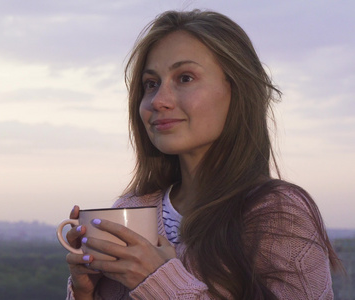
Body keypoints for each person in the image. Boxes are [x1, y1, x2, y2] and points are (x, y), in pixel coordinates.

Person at [63, 9, 341, 299]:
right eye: (151, 83)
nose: (159, 101)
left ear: (237, 91)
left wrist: (158, 281)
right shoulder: (131, 208)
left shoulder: (279, 213)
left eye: (185, 78)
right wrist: (85, 292)